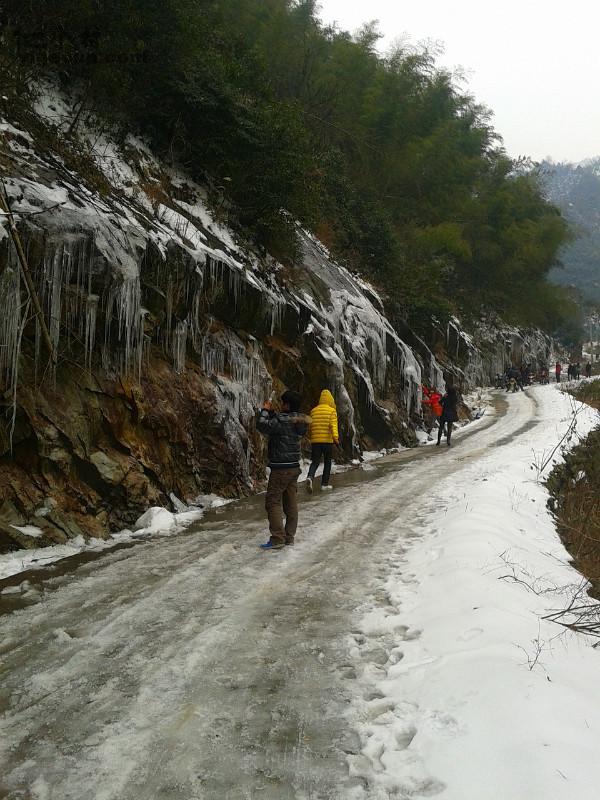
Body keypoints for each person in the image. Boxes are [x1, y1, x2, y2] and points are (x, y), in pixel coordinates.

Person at [256, 390, 309, 550]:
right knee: (290, 502)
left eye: (283, 402)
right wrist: (272, 413)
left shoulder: (281, 420)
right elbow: (278, 425)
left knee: (272, 501)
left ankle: (277, 538)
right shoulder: (298, 420)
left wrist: (265, 410)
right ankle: (289, 537)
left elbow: (262, 425)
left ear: (287, 404)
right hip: (294, 467)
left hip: (280, 468)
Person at [306, 389, 339, 492]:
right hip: (327, 442)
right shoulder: (331, 411)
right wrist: (336, 438)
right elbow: (333, 426)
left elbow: (311, 427)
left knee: (315, 462)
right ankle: (324, 484)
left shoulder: (313, 411)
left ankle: (310, 477)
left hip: (315, 442)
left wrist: (312, 437)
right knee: (327, 462)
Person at [437, 382, 459, 447]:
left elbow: (440, 403)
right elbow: (456, 403)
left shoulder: (445, 397)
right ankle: (448, 441)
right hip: (451, 413)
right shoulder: (454, 397)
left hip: (444, 413)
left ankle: (438, 441)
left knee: (441, 427)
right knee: (449, 428)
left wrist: (443, 398)